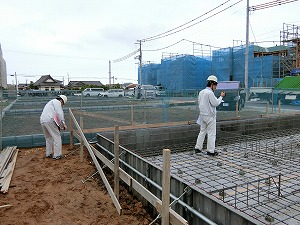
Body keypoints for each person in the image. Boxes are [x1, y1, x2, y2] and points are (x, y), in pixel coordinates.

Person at [195, 75, 225, 156]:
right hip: (210, 116)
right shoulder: (210, 93)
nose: (216, 87)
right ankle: (210, 151)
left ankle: (198, 148)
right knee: (212, 133)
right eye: (215, 85)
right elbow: (215, 103)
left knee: (202, 132)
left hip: (202, 116)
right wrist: (221, 97)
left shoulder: (201, 92)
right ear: (212, 84)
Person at [40, 95, 68, 159]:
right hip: (49, 120)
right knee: (57, 137)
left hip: (42, 120)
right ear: (61, 100)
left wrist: (60, 125)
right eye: (62, 103)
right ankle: (57, 155)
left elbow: (55, 116)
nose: (62, 105)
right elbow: (59, 113)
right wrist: (63, 123)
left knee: (48, 138)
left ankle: (48, 153)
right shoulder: (57, 102)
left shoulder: (51, 102)